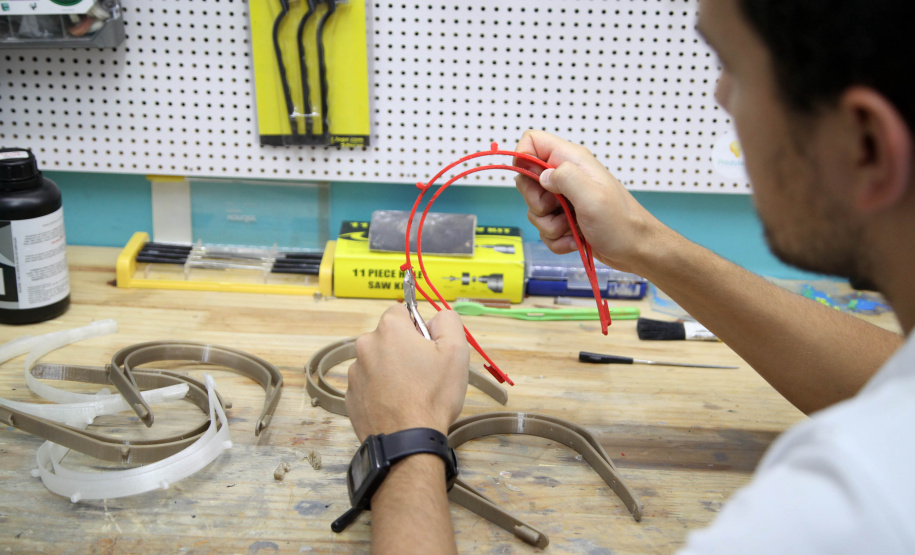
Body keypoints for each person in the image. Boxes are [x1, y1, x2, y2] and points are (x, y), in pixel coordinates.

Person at [345, 0, 915, 552]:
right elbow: (887, 382)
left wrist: (404, 439)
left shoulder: (843, 512)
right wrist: (642, 241)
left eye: (732, 69)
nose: (718, 96)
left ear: (865, 144)